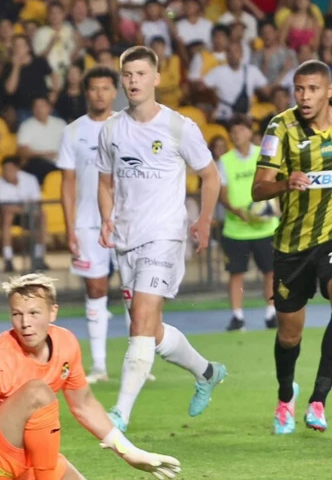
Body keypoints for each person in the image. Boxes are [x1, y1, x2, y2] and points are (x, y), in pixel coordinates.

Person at [0, 274, 182, 480]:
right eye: (17, 314)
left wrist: (128, 451)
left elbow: (84, 404)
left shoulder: (65, 343)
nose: (25, 323)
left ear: (52, 312)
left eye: (34, 313)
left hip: (19, 452)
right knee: (38, 392)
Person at [97, 45, 227, 431]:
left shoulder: (179, 127)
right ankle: (207, 372)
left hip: (165, 236)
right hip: (127, 239)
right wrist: (105, 219)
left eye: (141, 74)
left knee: (140, 318)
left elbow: (210, 176)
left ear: (156, 78)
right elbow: (104, 182)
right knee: (150, 332)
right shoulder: (111, 129)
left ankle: (119, 414)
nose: (133, 81)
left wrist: (204, 219)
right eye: (127, 75)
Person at [253, 59, 332, 434]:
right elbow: (258, 189)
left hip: (329, 236)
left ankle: (319, 400)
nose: (304, 96)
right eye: (299, 89)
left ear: (328, 91)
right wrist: (286, 183)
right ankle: (286, 396)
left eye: (312, 89)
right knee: (289, 336)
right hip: (292, 244)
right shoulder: (280, 127)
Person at [59, 65, 119, 383]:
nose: (100, 94)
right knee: (96, 289)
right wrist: (70, 228)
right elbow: (67, 184)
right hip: (87, 222)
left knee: (136, 291)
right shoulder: (72, 131)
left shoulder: (128, 126)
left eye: (106, 88)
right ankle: (100, 365)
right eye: (94, 88)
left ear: (115, 92)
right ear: (86, 93)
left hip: (127, 220)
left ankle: (141, 361)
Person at [219, 116, 276, 334]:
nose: (237, 135)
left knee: (270, 271)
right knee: (236, 273)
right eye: (233, 132)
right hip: (236, 229)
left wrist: (272, 207)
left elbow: (273, 182)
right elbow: (222, 193)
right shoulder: (225, 161)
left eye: (241, 130)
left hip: (266, 227)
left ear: (250, 132)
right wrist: (238, 211)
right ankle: (237, 316)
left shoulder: (263, 155)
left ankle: (271, 312)